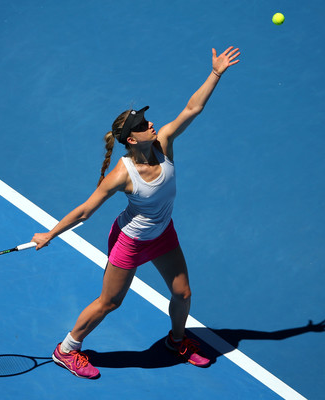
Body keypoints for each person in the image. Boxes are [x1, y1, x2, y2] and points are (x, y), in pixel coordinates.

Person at [31, 46, 241, 379]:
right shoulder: (121, 175)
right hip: (130, 241)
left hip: (162, 234)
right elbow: (86, 210)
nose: (152, 124)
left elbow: (193, 108)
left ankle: (177, 340)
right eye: (143, 124)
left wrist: (216, 72)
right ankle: (66, 349)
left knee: (183, 292)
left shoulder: (165, 142)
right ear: (131, 138)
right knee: (110, 302)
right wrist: (50, 234)